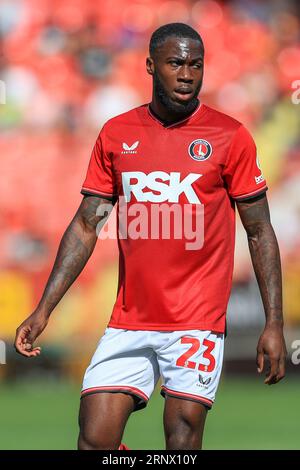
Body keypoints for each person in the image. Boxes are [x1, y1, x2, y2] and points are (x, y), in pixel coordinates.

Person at [15, 23, 287, 450]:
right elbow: (88, 224)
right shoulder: (118, 134)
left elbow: (259, 231)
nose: (187, 74)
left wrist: (274, 321)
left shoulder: (229, 136)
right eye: (175, 63)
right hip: (130, 319)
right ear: (150, 66)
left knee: (181, 442)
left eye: (196, 65)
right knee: (94, 443)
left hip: (197, 321)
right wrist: (44, 309)